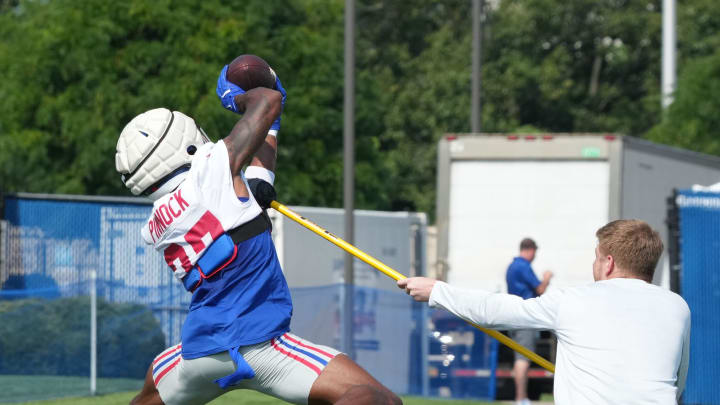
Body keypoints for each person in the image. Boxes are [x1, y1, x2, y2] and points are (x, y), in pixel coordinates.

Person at [115, 65, 401, 405]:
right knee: (377, 398)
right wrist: (236, 96)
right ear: (185, 143)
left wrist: (270, 142)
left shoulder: (160, 221)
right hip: (261, 344)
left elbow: (247, 192)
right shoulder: (211, 169)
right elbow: (267, 101)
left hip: (199, 352)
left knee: (149, 392)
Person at [398, 220, 690, 404]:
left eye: (596, 258)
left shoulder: (575, 300)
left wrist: (437, 291)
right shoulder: (678, 307)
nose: (594, 265)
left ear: (609, 263)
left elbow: (496, 310)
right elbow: (678, 382)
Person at [505, 237, 552, 405]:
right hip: (524, 318)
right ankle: (521, 398)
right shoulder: (523, 266)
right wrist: (547, 278)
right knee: (523, 359)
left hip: (515, 317)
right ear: (531, 250)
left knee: (520, 358)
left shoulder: (512, 266)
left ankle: (521, 397)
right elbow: (540, 289)